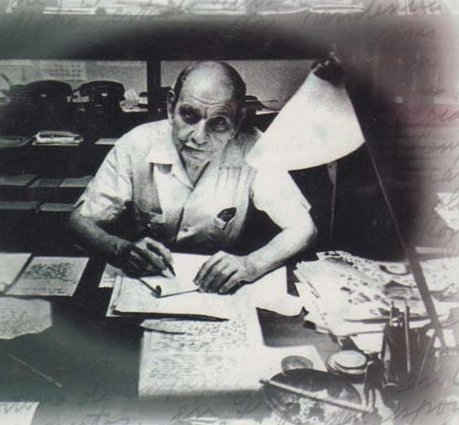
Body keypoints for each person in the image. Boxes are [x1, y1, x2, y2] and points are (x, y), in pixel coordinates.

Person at [70, 61, 316, 294]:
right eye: (189, 115)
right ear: (171, 106)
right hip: (146, 283)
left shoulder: (253, 147)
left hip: (217, 289)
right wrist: (119, 248)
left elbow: (303, 229)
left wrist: (251, 264)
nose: (199, 137)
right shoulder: (136, 143)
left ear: (238, 120)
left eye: (218, 122)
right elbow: (79, 221)